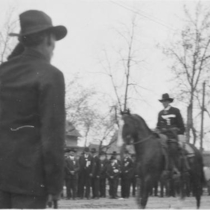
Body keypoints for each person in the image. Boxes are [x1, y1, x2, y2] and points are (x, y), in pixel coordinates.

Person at [0, 10, 67, 209]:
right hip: (30, 183)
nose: (53, 49)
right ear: (47, 39)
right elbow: (52, 137)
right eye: (53, 42)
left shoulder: (3, 73)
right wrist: (54, 187)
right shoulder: (51, 75)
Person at [156, 93, 189, 175]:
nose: (164, 103)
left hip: (172, 136)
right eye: (163, 101)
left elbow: (181, 126)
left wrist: (179, 134)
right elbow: (158, 126)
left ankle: (175, 167)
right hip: (162, 136)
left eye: (165, 101)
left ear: (169, 101)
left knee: (173, 148)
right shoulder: (160, 113)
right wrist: (157, 130)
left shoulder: (175, 111)